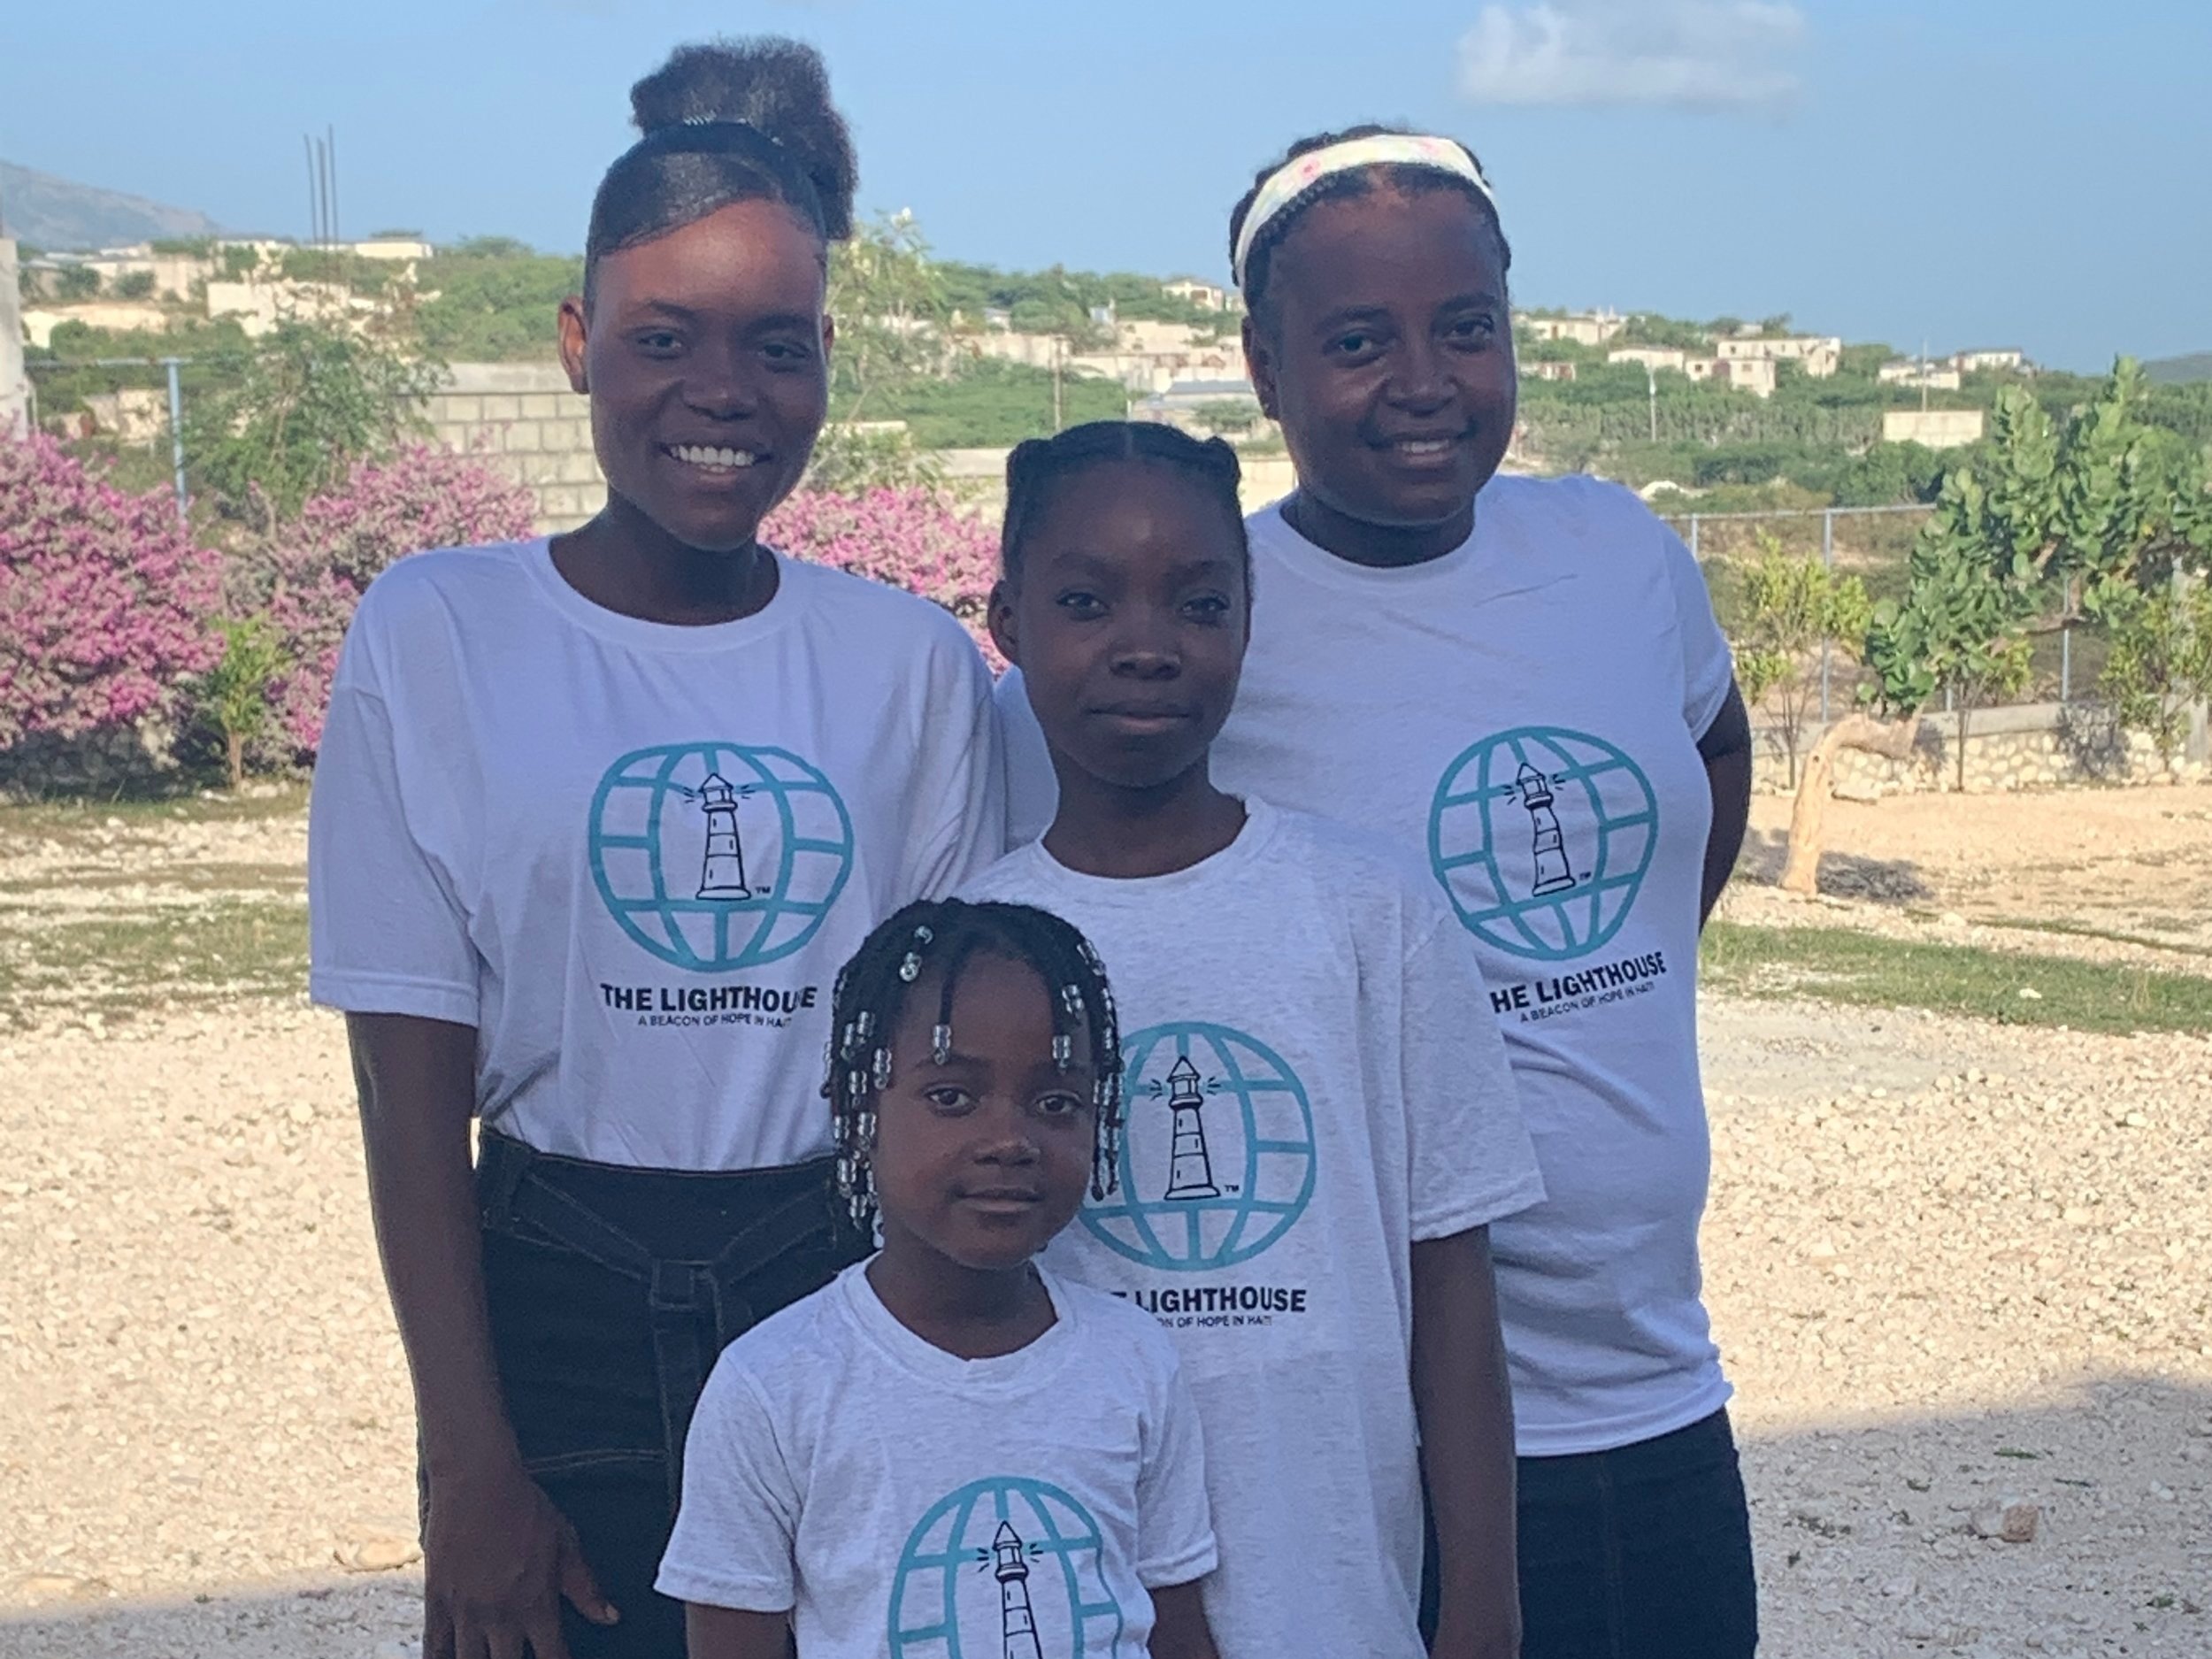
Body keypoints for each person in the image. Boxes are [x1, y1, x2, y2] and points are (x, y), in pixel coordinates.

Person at [1002, 130, 1760, 1659]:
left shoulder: (1617, 554)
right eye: (1358, 343)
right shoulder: (1206, 622)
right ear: (1265, 368)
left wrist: (1611, 976)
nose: (1423, 379)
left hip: (1658, 1381)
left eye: (1465, 328)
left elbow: (1714, 748)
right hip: (1384, 1447)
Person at [308, 39, 1002, 1659]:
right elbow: (407, 1090)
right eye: (664, 339)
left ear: (826, 358)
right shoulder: (436, 634)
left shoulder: (907, 667)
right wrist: (467, 1464)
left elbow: (946, 1058)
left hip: (842, 1273)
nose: (722, 394)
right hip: (551, 1301)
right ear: (577, 344)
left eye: (775, 347)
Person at [972, 421, 1546, 1659]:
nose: (1144, 645)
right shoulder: (965, 948)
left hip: (1339, 1598)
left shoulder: (1368, 908)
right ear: (1007, 621)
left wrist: (1485, 1606)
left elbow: (1452, 1277)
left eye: (1197, 602)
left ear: (1245, 620)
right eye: (1085, 600)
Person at [660, 899, 1220, 1659]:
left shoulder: (1134, 1360)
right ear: (862, 1111)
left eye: (1056, 1102)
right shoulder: (771, 1386)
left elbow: (1176, 1630)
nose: (1008, 1140)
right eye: (952, 1096)